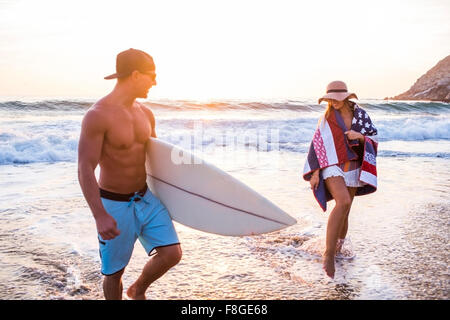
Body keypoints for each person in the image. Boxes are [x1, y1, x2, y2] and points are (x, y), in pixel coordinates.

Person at [78, 48, 182, 300]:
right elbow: (85, 168)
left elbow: (157, 161)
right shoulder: (97, 116)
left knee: (172, 254)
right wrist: (99, 215)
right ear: (135, 75)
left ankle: (138, 290)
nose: (155, 82)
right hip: (114, 203)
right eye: (151, 75)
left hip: (145, 198)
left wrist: (180, 194)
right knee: (114, 274)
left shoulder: (145, 113)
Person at [303, 80, 378, 278]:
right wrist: (316, 172)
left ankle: (338, 249)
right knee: (342, 201)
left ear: (346, 97)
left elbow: (374, 138)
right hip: (331, 165)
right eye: (330, 99)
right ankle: (328, 254)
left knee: (346, 209)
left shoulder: (360, 115)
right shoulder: (327, 117)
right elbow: (318, 145)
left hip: (353, 166)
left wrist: (359, 137)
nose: (334, 102)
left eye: (337, 99)